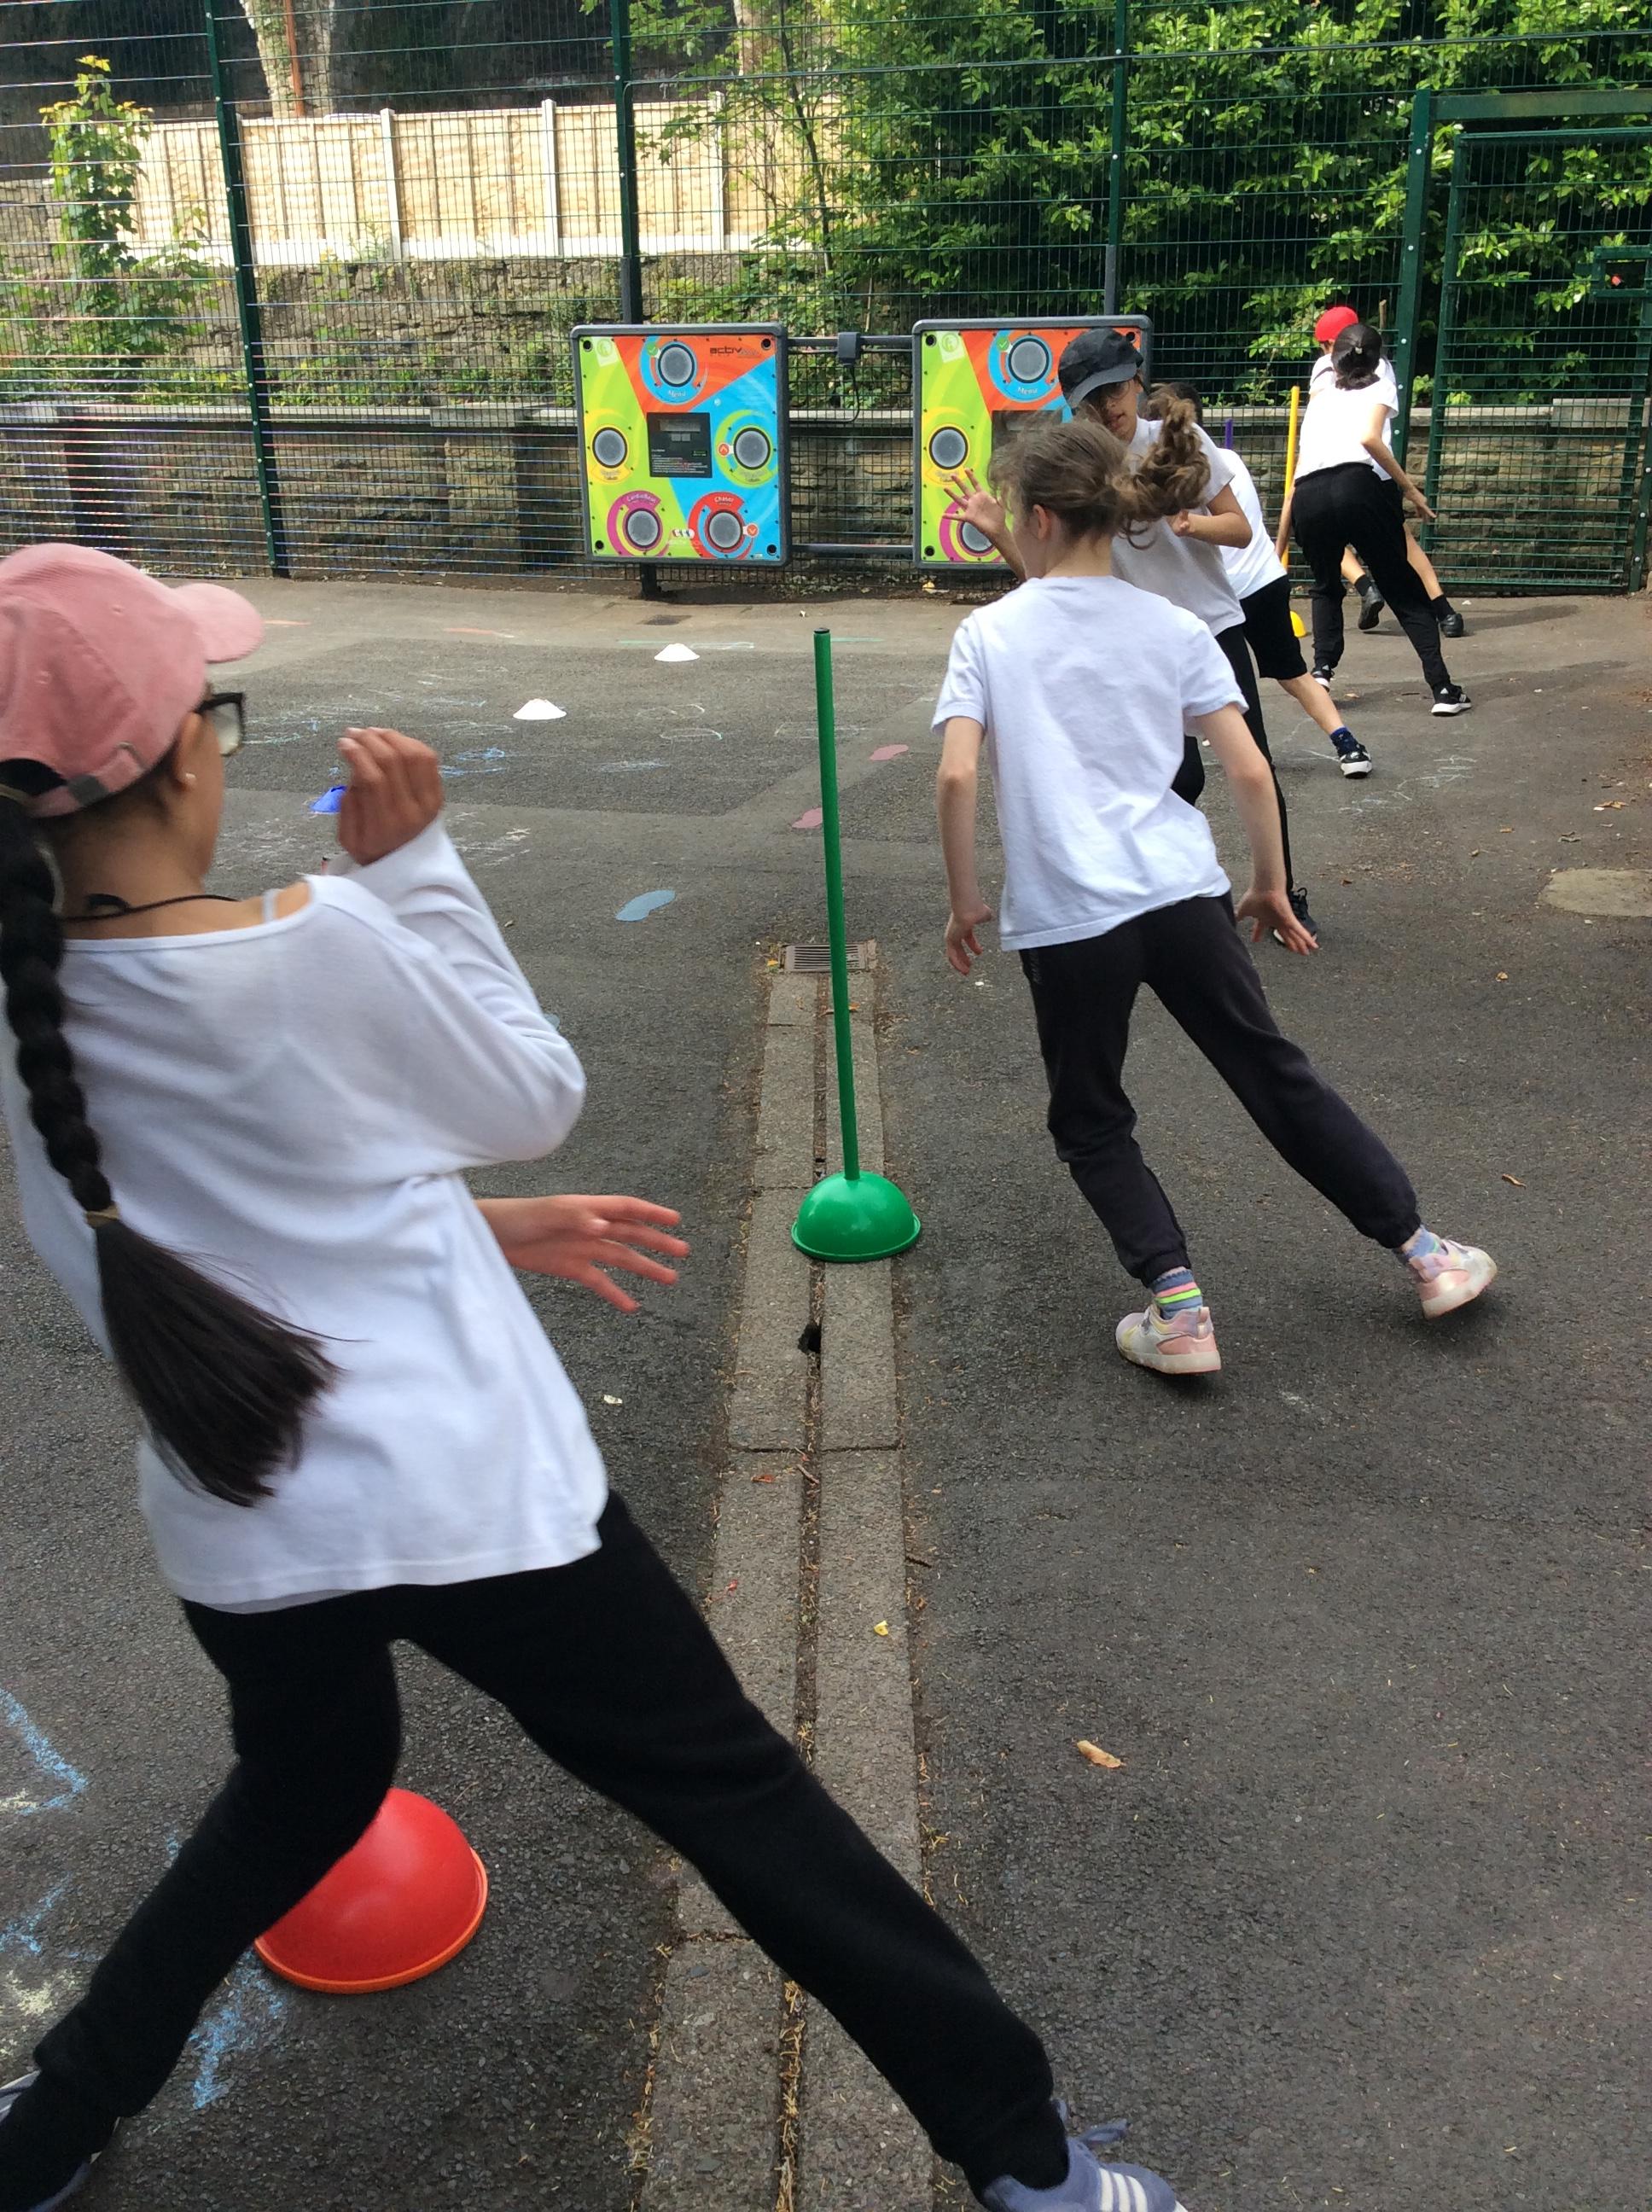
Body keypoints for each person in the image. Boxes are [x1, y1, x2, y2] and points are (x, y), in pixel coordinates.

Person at [0, 543, 1194, 2212]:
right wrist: (417, 870)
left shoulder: (27, 1005)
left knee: (300, 1786)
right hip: (473, 1500)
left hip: (244, 1519)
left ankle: (47, 2130)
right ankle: (1028, 2159)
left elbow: (210, 1218)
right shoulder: (309, 937)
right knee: (736, 1795)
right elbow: (531, 1090)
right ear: (182, 756)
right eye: (218, 710)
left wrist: (476, 1228)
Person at [932, 416, 1497, 1377]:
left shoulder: (987, 634)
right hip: (1183, 894)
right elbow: (1245, 767)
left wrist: (965, 900)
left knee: (1090, 1116)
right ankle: (1427, 1255)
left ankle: (1180, 1310)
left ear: (1037, 519)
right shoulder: (1172, 625)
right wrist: (1269, 883)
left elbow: (955, 775)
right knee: (1273, 1073)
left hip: (1071, 918)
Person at [949, 327, 1317, 940]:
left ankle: (1280, 894)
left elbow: (1240, 529)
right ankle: (1155, 895)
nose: (1109, 407)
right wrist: (997, 530)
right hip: (1133, 640)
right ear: (1075, 406)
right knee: (1176, 776)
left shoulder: (1174, 443)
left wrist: (1189, 524)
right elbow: (1046, 579)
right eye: (1093, 399)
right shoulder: (1081, 466)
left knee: (1254, 762)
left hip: (1210, 627)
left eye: (1117, 390)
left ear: (1137, 382)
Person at [1141, 382, 1371, 778]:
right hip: (1264, 579)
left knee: (1197, 685)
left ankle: (1233, 758)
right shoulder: (1229, 458)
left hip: (1223, 594)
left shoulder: (1175, 470)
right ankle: (1346, 743)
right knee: (1293, 674)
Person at [1278, 324, 1472, 717]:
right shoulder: (1381, 380)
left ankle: (1321, 671)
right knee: (1402, 588)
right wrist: (1411, 490)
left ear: (1333, 357)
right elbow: (1370, 438)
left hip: (1309, 493)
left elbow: (1297, 476)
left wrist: (1277, 547)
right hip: (1357, 486)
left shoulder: (1320, 389)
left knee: (1325, 587)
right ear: (1376, 359)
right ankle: (1443, 689)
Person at [1309, 306, 1465, 643]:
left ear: (1334, 343)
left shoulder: (1324, 368)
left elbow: (1319, 409)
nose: (1322, 352)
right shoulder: (1382, 366)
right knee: (1402, 541)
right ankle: (1444, 611)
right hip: (1378, 471)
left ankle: (1365, 586)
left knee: (1327, 536)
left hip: (1334, 468)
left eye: (1324, 345)